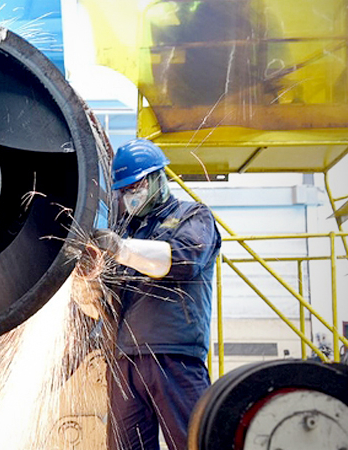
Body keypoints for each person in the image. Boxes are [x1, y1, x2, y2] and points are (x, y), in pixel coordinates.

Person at [93, 139, 221, 450]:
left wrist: (121, 249)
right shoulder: (126, 231)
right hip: (125, 361)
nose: (129, 196)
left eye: (135, 186)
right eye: (123, 191)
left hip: (173, 354)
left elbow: (184, 259)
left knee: (193, 442)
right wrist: (89, 275)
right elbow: (104, 299)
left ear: (157, 179)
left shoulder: (194, 217)